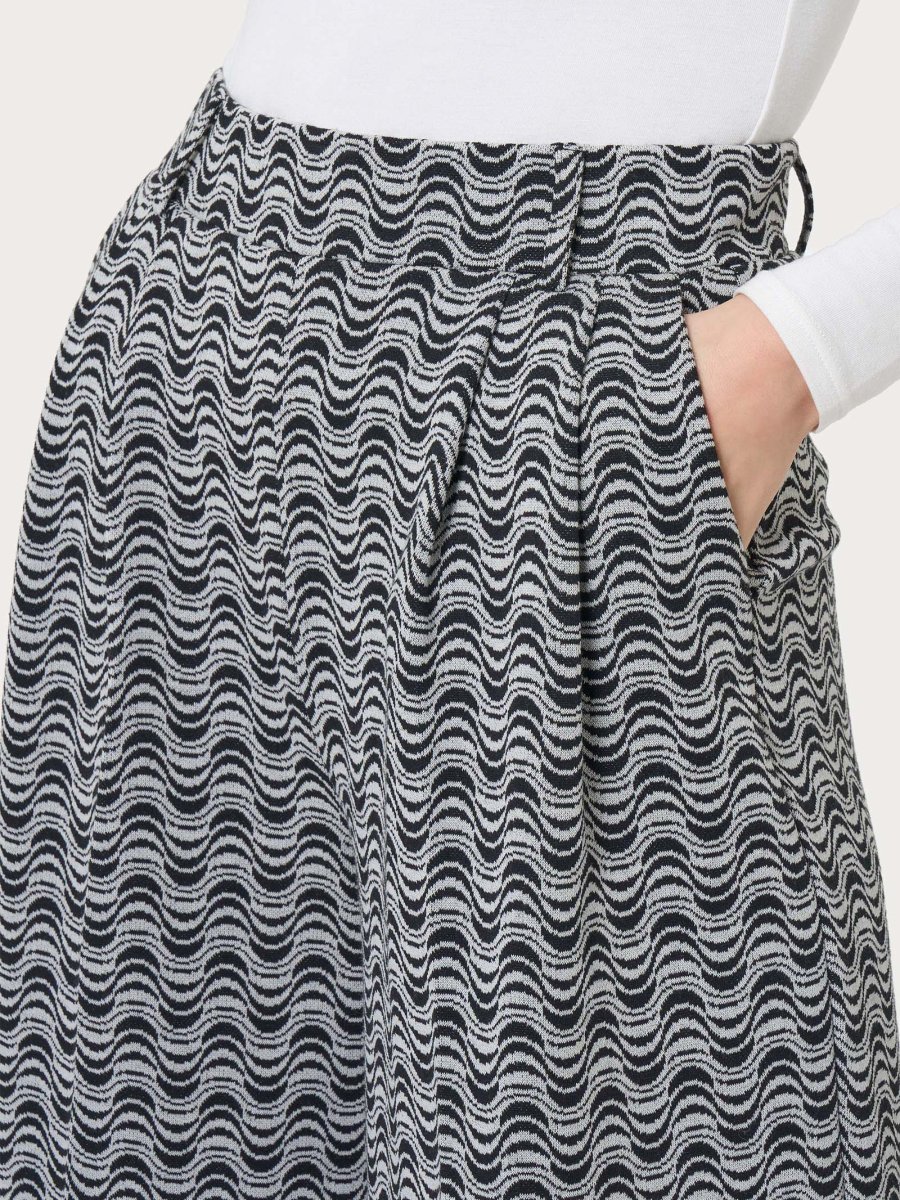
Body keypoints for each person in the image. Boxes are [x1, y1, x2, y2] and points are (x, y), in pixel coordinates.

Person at [1, 3, 898, 1198]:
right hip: (198, 339)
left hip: (577, 401)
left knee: (631, 1127)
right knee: (156, 1118)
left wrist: (799, 349)